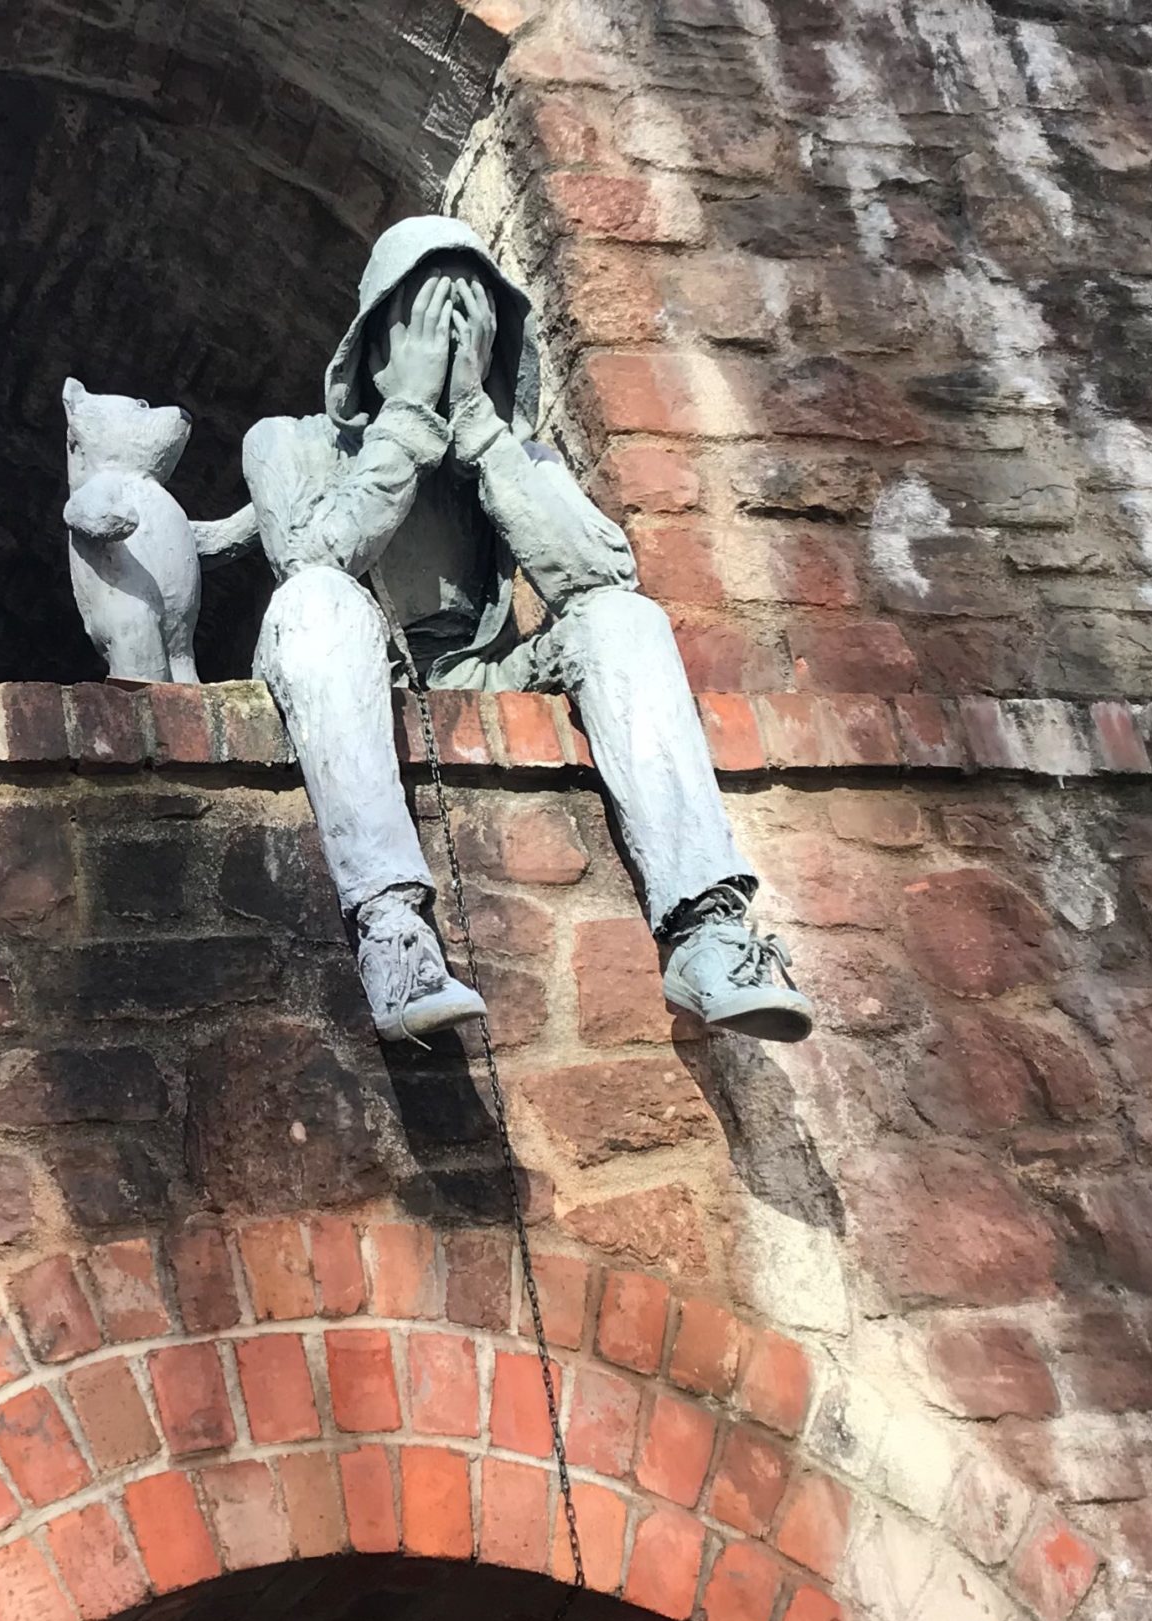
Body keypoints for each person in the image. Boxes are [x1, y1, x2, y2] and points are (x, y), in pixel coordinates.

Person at [242, 215, 813, 1045]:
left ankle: (705, 931)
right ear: (372, 346)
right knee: (316, 604)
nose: (446, 345)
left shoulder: (516, 457)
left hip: (481, 676)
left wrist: (480, 432)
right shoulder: (285, 442)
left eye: (466, 326)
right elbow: (313, 559)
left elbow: (599, 575)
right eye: (425, 322)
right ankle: (392, 930)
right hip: (347, 661)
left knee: (622, 619)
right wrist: (404, 418)